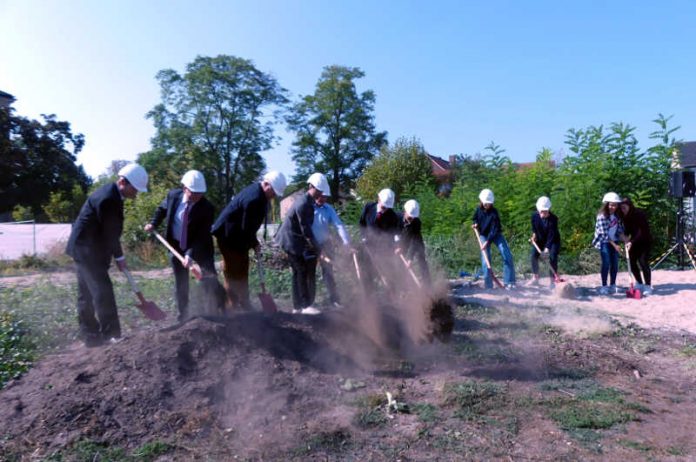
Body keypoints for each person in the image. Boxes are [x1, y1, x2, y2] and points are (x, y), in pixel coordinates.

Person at [66, 163, 148, 347]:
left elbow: (108, 232)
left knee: (86, 294)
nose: (136, 193)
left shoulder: (111, 194)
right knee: (102, 292)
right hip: (87, 251)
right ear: (122, 182)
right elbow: (110, 233)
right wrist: (119, 257)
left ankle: (91, 337)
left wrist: (115, 256)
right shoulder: (108, 199)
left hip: (85, 248)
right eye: (134, 189)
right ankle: (110, 335)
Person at [144, 170, 224, 321]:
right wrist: (153, 223)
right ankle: (184, 315)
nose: (198, 196)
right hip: (175, 246)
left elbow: (201, 236)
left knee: (208, 277)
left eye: (201, 193)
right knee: (181, 282)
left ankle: (219, 309)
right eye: (194, 192)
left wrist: (189, 254)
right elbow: (161, 209)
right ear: (184, 188)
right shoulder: (173, 196)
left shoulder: (206, 208)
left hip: (200, 248)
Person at [211, 171, 287, 311]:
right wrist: (254, 243)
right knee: (233, 270)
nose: (274, 195)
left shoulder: (260, 195)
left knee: (243, 267)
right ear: (266, 184)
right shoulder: (254, 198)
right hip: (228, 235)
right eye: (274, 192)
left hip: (238, 236)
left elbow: (247, 228)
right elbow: (247, 228)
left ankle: (244, 302)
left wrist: (253, 243)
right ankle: (231, 308)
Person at [276, 173, 325, 314]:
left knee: (297, 272)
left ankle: (297, 307)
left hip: (293, 239)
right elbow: (306, 229)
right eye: (319, 191)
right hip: (290, 240)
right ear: (312, 187)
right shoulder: (304, 203)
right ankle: (305, 306)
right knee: (301, 270)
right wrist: (317, 247)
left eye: (322, 191)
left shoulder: (307, 201)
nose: (321, 194)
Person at [311, 185, 352, 308]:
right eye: (321, 196)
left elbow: (338, 225)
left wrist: (346, 243)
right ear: (316, 194)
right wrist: (316, 249)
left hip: (325, 243)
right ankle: (309, 302)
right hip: (310, 244)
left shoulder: (328, 209)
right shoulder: (308, 208)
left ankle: (334, 300)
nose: (323, 199)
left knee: (329, 273)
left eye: (325, 197)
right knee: (309, 273)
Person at [472, 188, 516, 289]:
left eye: (489, 203)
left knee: (506, 254)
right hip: (483, 235)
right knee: (485, 259)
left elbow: (494, 229)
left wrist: (487, 242)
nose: (487, 205)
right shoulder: (478, 210)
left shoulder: (494, 213)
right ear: (481, 201)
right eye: (485, 203)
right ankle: (488, 286)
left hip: (495, 235)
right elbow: (474, 218)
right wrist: (475, 224)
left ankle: (509, 282)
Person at [358, 188, 400, 292]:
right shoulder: (368, 207)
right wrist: (363, 236)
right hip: (367, 245)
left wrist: (396, 245)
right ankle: (369, 296)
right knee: (367, 272)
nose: (385, 209)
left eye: (387, 208)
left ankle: (390, 297)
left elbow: (394, 234)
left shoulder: (392, 216)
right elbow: (362, 222)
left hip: (382, 248)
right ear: (378, 199)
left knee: (385, 273)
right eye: (383, 206)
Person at [592, 192, 624, 295]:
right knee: (606, 263)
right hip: (604, 242)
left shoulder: (617, 216)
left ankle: (613, 285)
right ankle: (604, 286)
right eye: (611, 205)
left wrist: (625, 239)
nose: (613, 207)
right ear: (606, 204)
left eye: (615, 205)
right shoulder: (601, 217)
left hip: (614, 240)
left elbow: (619, 230)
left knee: (615, 264)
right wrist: (615, 246)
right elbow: (605, 235)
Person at [620, 197, 653, 295]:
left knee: (643, 262)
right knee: (631, 261)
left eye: (624, 207)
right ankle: (639, 282)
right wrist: (624, 237)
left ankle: (648, 286)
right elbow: (628, 230)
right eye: (621, 208)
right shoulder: (624, 216)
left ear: (629, 206)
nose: (623, 210)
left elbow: (641, 231)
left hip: (644, 240)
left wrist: (631, 241)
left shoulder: (639, 214)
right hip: (634, 242)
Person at [528, 196, 561, 287]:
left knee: (552, 257)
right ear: (538, 209)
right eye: (542, 211)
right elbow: (534, 228)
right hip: (540, 239)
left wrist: (547, 249)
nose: (543, 213)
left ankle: (552, 280)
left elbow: (551, 235)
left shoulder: (553, 219)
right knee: (534, 255)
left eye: (545, 211)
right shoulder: (534, 216)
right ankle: (535, 277)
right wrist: (534, 235)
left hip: (553, 241)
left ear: (549, 209)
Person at [398, 199, 431, 286]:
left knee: (421, 259)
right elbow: (391, 234)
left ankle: (427, 286)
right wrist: (397, 246)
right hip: (401, 242)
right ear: (405, 211)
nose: (411, 220)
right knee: (399, 264)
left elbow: (414, 241)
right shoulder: (396, 219)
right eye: (409, 218)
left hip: (415, 241)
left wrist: (410, 258)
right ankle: (404, 286)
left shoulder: (417, 222)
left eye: (413, 218)